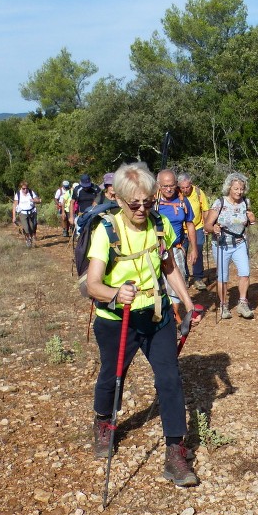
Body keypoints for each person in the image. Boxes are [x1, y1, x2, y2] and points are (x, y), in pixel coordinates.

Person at [84, 162, 202, 487]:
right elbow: (93, 284)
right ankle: (104, 422)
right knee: (113, 374)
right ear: (119, 199)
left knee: (170, 378)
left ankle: (175, 451)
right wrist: (114, 292)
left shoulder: (160, 224)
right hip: (116, 319)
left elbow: (168, 268)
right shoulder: (106, 231)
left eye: (148, 202)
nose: (142, 209)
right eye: (134, 203)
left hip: (156, 314)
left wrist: (188, 303)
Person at [204, 172, 256, 319]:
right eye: (236, 189)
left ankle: (242, 303)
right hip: (222, 245)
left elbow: (248, 222)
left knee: (245, 273)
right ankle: (223, 305)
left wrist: (252, 220)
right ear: (229, 188)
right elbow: (207, 225)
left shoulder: (246, 202)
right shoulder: (220, 203)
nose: (239, 192)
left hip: (240, 243)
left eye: (241, 189)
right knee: (222, 277)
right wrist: (213, 228)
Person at [155, 169, 197, 322]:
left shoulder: (182, 201)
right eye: (165, 186)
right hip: (156, 248)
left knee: (178, 280)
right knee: (158, 282)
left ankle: (174, 313)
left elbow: (190, 224)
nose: (168, 189)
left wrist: (194, 248)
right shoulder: (153, 201)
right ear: (159, 185)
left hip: (176, 246)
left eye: (171, 185)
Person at [178, 172, 209, 291]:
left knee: (198, 250)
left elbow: (205, 210)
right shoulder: (176, 194)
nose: (185, 190)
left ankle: (198, 278)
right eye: (183, 188)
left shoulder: (198, 192)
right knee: (182, 253)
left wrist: (206, 225)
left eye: (187, 187)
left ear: (191, 184)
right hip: (181, 229)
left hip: (197, 226)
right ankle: (184, 277)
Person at [12, 181, 41, 247]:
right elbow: (14, 205)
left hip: (32, 212)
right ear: (21, 188)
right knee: (26, 228)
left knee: (32, 227)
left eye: (26, 188)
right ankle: (28, 240)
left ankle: (31, 238)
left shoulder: (31, 192)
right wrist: (14, 217)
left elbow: (38, 200)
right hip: (23, 213)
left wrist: (34, 200)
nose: (25, 190)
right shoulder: (18, 194)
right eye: (23, 188)